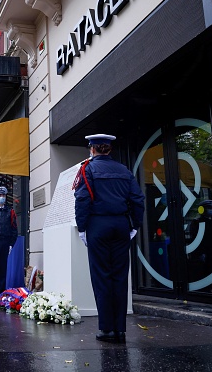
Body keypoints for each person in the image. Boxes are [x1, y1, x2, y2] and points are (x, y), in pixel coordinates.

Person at [73, 134, 145, 343]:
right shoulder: (124, 170)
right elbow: (138, 199)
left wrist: (82, 227)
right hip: (121, 225)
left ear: (92, 149)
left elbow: (83, 199)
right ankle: (120, 329)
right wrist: (134, 225)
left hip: (98, 226)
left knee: (102, 276)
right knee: (120, 277)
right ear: (109, 150)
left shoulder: (88, 169)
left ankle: (106, 329)